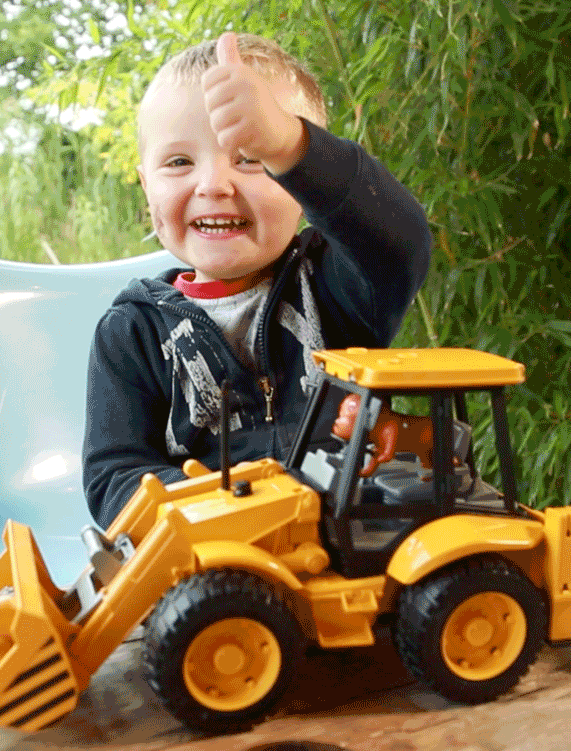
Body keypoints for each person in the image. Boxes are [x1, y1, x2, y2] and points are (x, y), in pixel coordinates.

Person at [82, 31, 433, 527]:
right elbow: (113, 476)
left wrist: (293, 145)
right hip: (213, 563)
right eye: (179, 162)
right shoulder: (131, 333)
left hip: (342, 551)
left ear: (300, 186)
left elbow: (403, 242)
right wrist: (225, 504)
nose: (213, 185)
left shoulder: (337, 287)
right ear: (147, 185)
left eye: (251, 158)